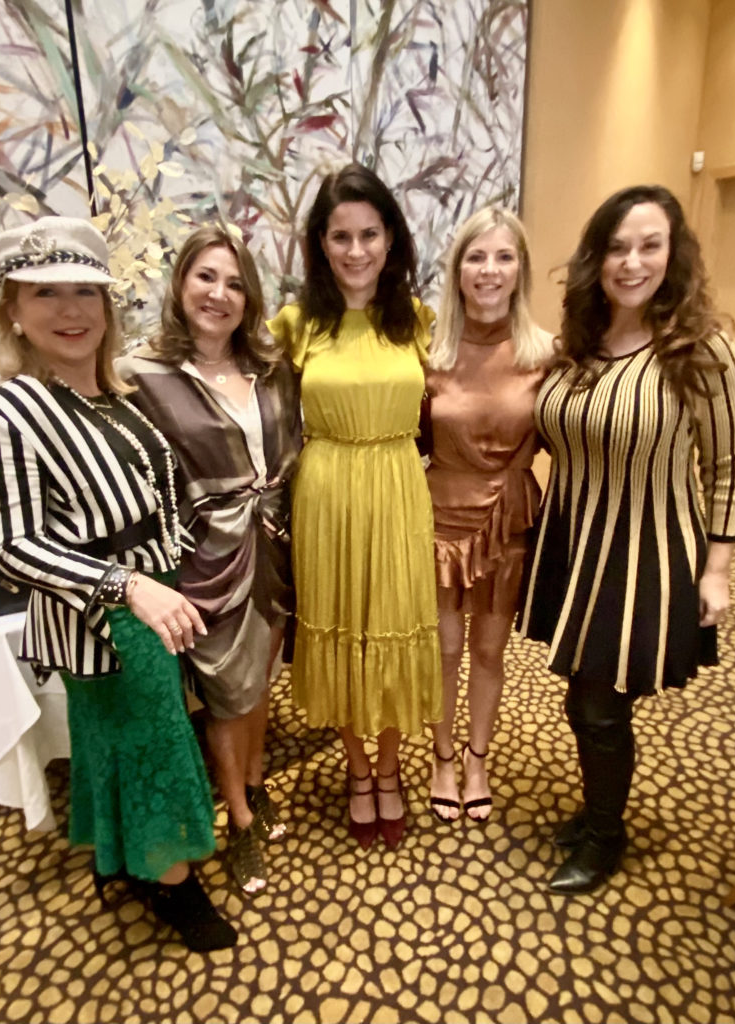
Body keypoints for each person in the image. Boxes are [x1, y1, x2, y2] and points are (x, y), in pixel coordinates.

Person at [0, 216, 237, 950]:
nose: (70, 310)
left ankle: (126, 860)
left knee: (124, 742)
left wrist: (176, 559)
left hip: (155, 595)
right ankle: (174, 886)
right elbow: (15, 545)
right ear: (14, 311)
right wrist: (130, 587)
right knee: (154, 745)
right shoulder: (10, 409)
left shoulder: (115, 396)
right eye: (45, 292)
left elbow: (155, 494)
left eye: (86, 291)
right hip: (105, 610)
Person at [517, 185, 735, 894]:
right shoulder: (581, 341)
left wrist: (717, 568)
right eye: (617, 246)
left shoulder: (701, 347)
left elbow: (731, 462)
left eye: (649, 244)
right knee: (582, 696)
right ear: (597, 259)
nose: (631, 261)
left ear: (673, 253)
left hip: (644, 549)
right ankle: (597, 812)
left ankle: (604, 835)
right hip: (575, 539)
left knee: (598, 701)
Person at [117, 226, 301, 895]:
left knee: (260, 681)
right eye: (205, 277)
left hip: (278, 541)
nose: (218, 294)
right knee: (228, 692)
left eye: (233, 283)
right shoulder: (141, 375)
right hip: (210, 556)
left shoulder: (271, 366)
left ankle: (254, 780)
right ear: (180, 284)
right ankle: (241, 817)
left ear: (249, 297)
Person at [267, 162, 442, 851]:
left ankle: (392, 770)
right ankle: (359, 770)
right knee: (338, 626)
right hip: (328, 489)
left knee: (397, 626)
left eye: (370, 234)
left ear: (392, 239)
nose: (356, 251)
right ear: (319, 244)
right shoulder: (295, 324)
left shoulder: (418, 322)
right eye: (340, 236)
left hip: (399, 485)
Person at [424, 207, 554, 823]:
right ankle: (443, 756)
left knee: (490, 652)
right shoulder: (431, 352)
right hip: (440, 519)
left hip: (508, 519)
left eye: (504, 257)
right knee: (445, 647)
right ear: (457, 270)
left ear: (520, 269)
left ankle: (478, 756)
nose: (489, 270)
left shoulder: (546, 353)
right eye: (477, 257)